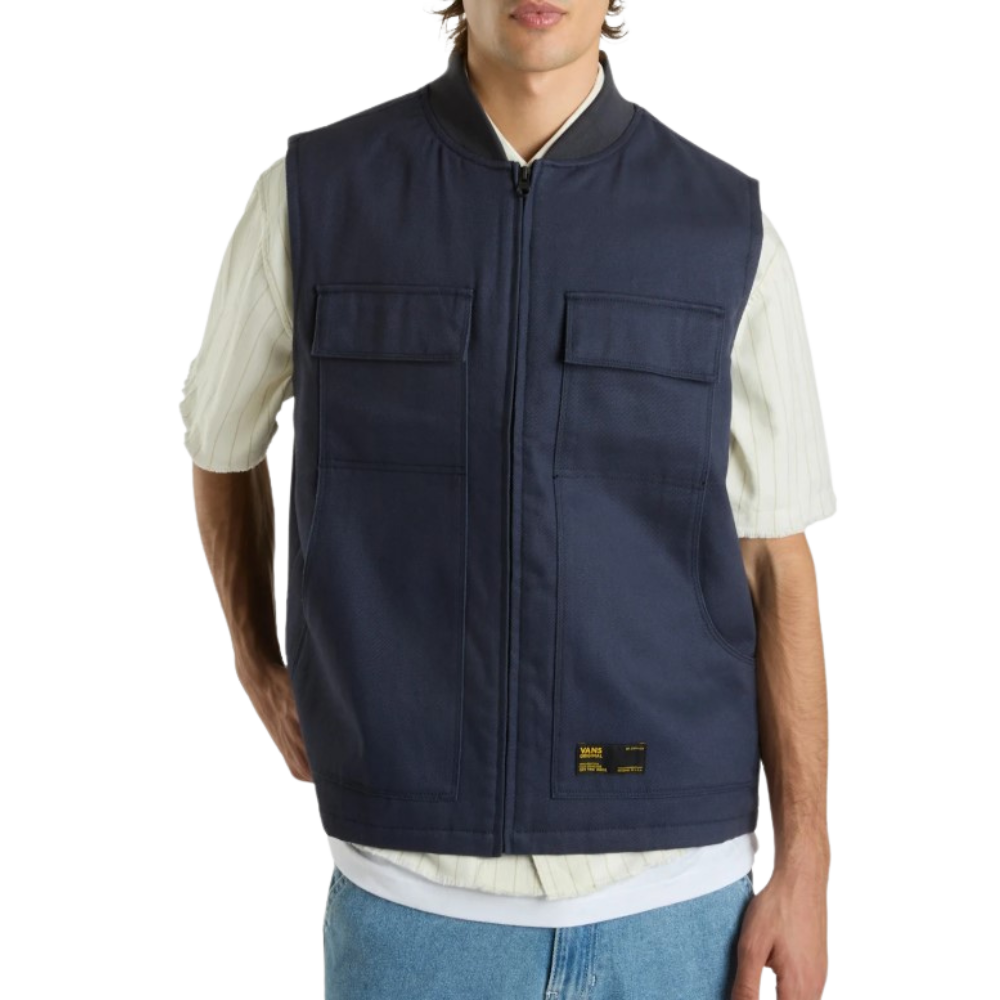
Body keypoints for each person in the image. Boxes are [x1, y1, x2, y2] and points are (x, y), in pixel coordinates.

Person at [180, 2, 834, 997]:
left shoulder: (723, 228)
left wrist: (807, 864)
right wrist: (256, 665)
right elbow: (222, 443)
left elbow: (775, 560)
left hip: (679, 905)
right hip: (411, 910)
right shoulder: (313, 200)